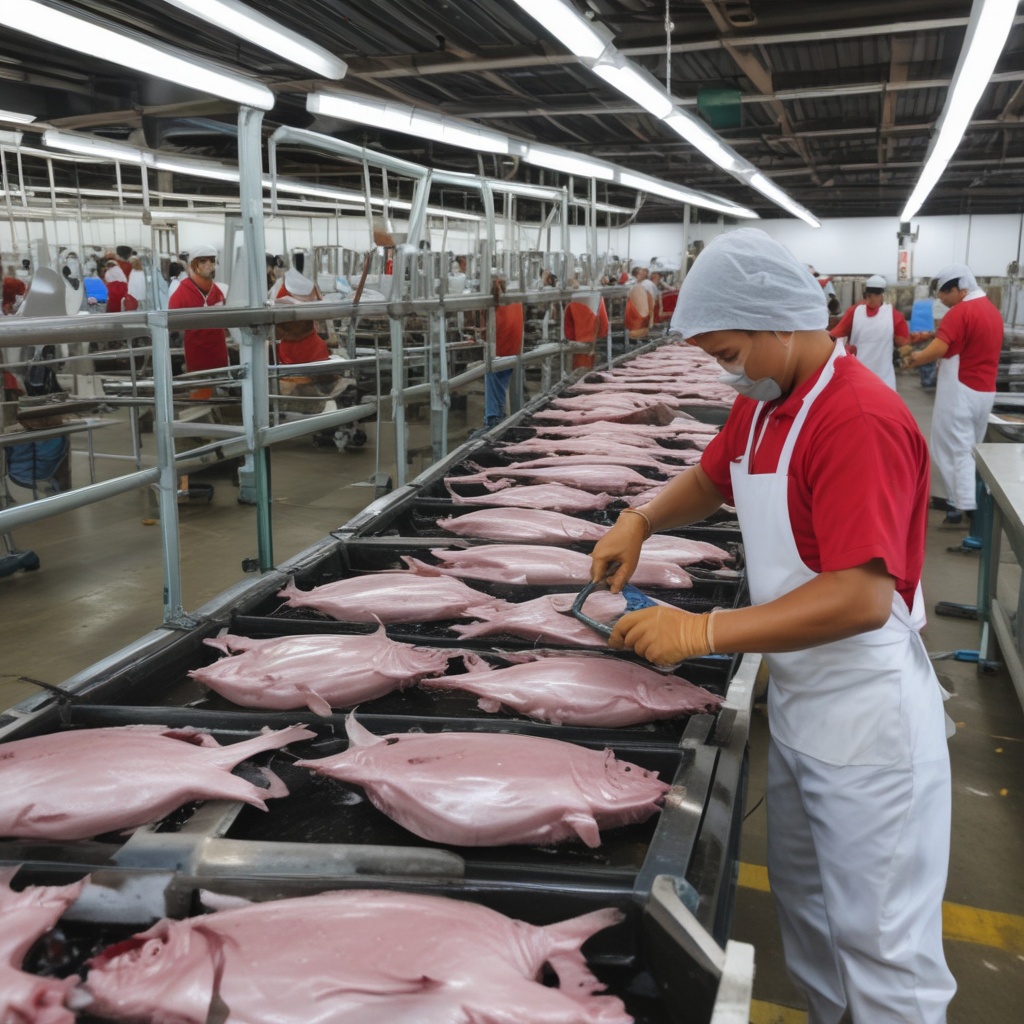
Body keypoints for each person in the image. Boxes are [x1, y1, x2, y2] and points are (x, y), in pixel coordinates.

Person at [590, 228, 955, 1024]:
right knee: (812, 915)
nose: (729, 370)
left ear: (781, 325)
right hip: (798, 698)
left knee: (883, 946)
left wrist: (703, 631)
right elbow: (711, 477)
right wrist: (641, 517)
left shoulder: (855, 418)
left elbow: (860, 598)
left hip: (866, 716)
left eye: (730, 352)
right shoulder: (765, 404)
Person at [901, 263, 1004, 526]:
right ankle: (964, 504)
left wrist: (915, 359)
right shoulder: (991, 311)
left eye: (944, 293)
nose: (941, 299)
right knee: (969, 449)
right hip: (984, 392)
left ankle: (963, 508)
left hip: (961, 391)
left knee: (954, 449)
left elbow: (939, 348)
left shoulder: (961, 312)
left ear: (959, 289)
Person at [168, 244, 229, 395]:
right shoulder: (182, 293)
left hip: (219, 353)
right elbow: (172, 325)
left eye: (212, 261)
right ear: (193, 265)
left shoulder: (218, 291)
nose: (209, 265)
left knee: (222, 399)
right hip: (197, 355)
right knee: (200, 399)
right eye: (203, 261)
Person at [829, 274, 909, 389]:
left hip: (883, 376)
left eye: (875, 295)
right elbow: (835, 334)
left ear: (882, 295)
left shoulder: (893, 316)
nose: (872, 299)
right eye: (869, 295)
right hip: (860, 375)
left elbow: (903, 343)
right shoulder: (855, 312)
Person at [482, 276, 524, 428]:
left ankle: (493, 419)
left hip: (498, 350)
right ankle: (499, 415)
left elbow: (484, 330)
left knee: (492, 380)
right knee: (501, 385)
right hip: (514, 349)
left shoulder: (491, 303)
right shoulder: (516, 301)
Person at [563, 289, 609, 371]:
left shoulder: (573, 303)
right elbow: (604, 324)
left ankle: (580, 372)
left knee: (582, 353)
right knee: (586, 352)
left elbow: (569, 330)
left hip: (581, 300)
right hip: (592, 300)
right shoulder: (596, 297)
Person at [624, 267, 654, 340]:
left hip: (639, 316)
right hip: (642, 316)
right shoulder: (641, 284)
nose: (642, 275)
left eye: (642, 273)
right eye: (640, 273)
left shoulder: (644, 285)